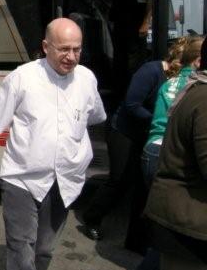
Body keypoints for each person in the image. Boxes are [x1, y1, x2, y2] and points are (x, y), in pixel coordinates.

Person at [0, 18, 106, 270]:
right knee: (21, 248)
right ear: (46, 47)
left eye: (77, 49)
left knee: (44, 249)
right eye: (64, 49)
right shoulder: (22, 78)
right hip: (21, 179)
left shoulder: (87, 80)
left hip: (65, 181)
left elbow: (95, 116)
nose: (71, 56)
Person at [81, 37, 190, 247]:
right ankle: (92, 217)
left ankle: (136, 239)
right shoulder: (151, 71)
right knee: (120, 180)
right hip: (124, 131)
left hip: (147, 134)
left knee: (142, 186)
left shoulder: (179, 78)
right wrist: (159, 119)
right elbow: (132, 104)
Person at [120, 35, 204, 270]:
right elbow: (132, 105)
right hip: (165, 152)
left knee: (166, 226)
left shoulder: (174, 82)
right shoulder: (198, 89)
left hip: (154, 149)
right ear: (198, 60)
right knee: (175, 232)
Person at [109, 0, 153, 99]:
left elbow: (149, 0)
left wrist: (145, 23)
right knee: (120, 66)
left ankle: (134, 99)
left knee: (133, 67)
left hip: (134, 31)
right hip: (120, 31)